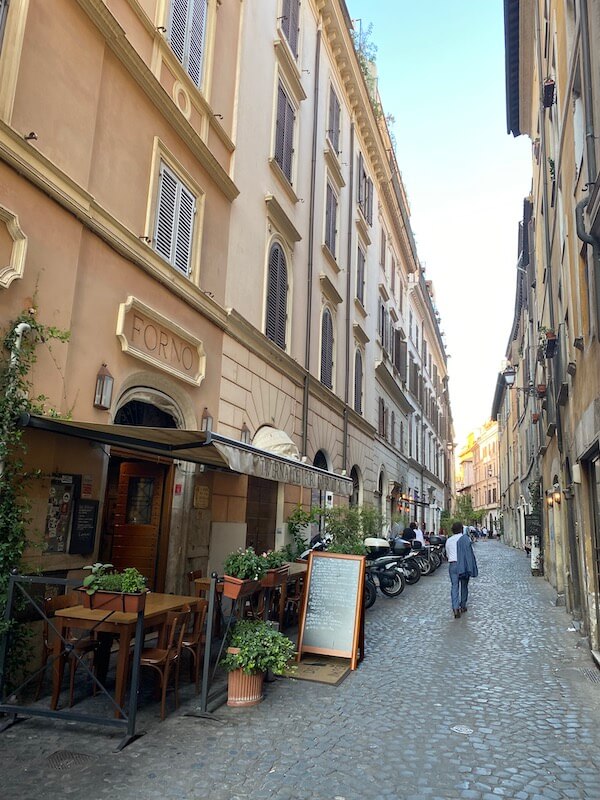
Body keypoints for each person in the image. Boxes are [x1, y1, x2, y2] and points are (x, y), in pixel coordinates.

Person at [445, 521, 478, 618]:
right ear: (461, 529)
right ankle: (463, 605)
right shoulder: (465, 539)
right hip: (463, 564)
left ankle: (455, 608)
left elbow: (447, 554)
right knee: (464, 585)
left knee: (454, 586)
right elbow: (469, 553)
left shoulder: (449, 540)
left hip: (453, 564)